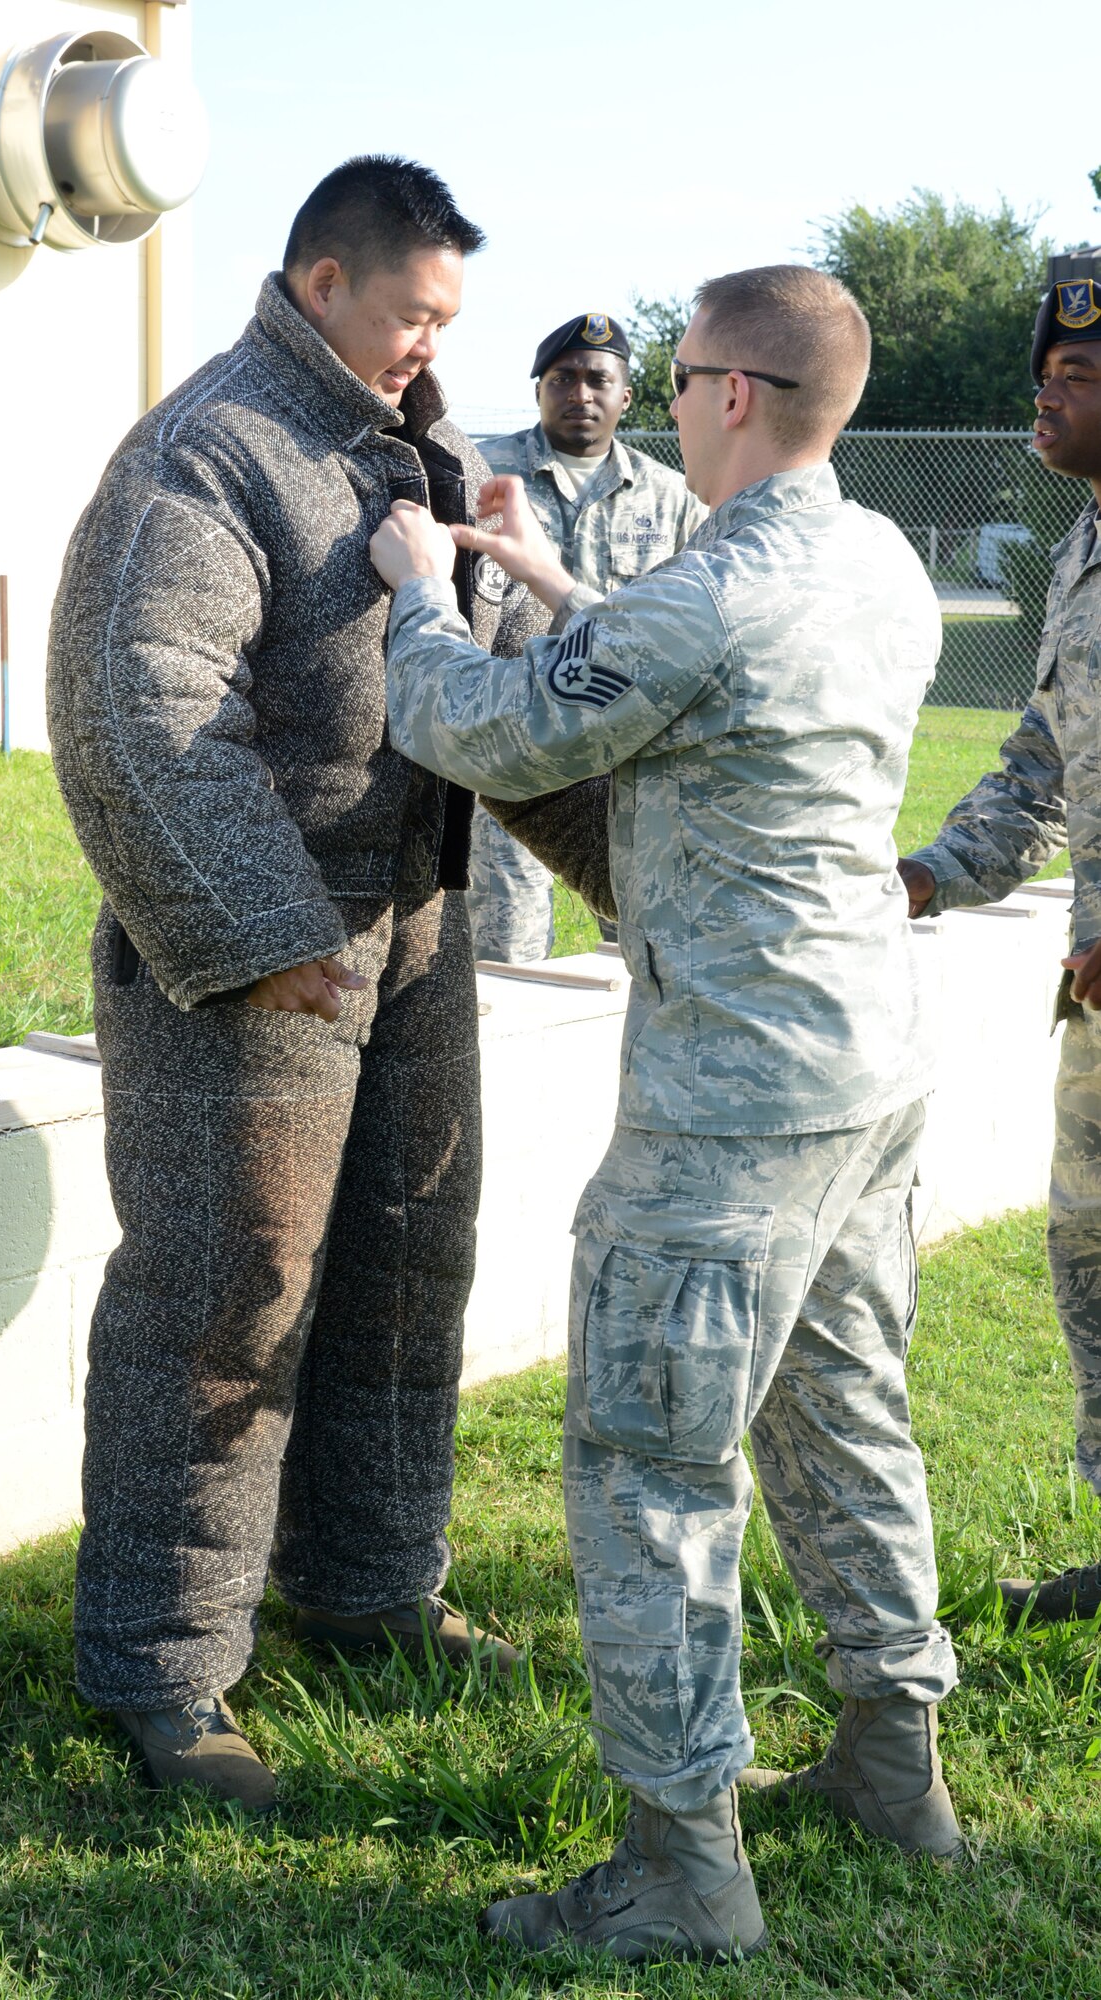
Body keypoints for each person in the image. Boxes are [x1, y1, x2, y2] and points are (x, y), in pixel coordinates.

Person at [369, 264, 962, 1965]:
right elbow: (692, 665)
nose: (667, 400)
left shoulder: (715, 595)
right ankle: (894, 1767)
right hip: (864, 1071)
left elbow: (479, 728)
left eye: (682, 374)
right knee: (845, 1414)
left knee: (650, 1469)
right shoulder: (873, 556)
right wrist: (550, 581)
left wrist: (422, 592)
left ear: (729, 395)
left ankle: (680, 1868)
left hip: (728, 1111)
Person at [45, 155, 583, 1811]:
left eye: (449, 321)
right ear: (321, 282)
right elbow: (141, 701)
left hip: (417, 928)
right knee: (229, 1297)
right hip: (263, 955)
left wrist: (640, 877)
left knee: (410, 1266)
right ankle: (163, 1670)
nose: (433, 345)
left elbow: (495, 694)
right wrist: (267, 934)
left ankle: (367, 1589)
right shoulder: (206, 452)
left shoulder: (432, 454)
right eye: (414, 314)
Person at [900, 275, 1101, 1624]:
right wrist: (923, 875)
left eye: (1077, 376)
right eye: (1044, 373)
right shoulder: (1081, 543)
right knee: (1088, 1263)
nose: (1045, 394)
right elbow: (1041, 762)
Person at [468, 313, 705, 962]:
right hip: (516, 747)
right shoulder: (482, 475)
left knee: (644, 943)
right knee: (507, 947)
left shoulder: (672, 498)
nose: (581, 393)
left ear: (625, 395)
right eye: (563, 378)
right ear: (538, 389)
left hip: (624, 749)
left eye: (598, 379)